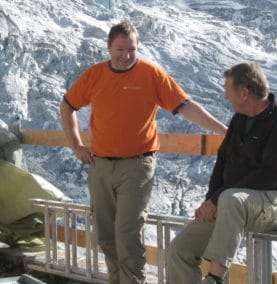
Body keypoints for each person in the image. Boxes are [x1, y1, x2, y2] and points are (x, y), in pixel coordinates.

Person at [59, 21, 227, 284]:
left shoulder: (151, 74)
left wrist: (223, 131)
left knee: (127, 234)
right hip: (99, 165)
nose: (126, 55)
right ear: (109, 48)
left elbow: (185, 106)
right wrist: (76, 145)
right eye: (120, 49)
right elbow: (67, 106)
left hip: (136, 166)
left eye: (132, 49)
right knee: (105, 234)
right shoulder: (94, 75)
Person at [167, 62, 277, 284]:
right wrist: (211, 200)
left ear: (244, 92)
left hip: (276, 204)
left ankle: (215, 277)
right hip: (233, 205)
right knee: (180, 250)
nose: (225, 95)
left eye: (228, 90)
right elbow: (222, 163)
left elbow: (271, 174)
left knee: (230, 199)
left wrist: (220, 198)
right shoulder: (239, 120)